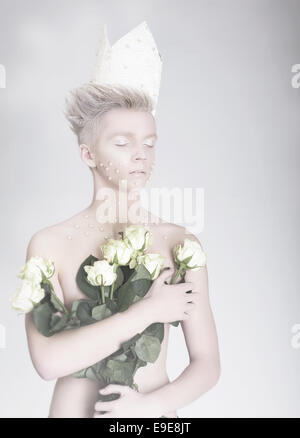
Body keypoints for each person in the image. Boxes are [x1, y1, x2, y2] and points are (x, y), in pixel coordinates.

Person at [24, 82, 220, 418]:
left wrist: (150, 407)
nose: (141, 154)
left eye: (149, 143)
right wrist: (147, 312)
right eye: (121, 143)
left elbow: (208, 363)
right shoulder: (49, 245)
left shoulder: (179, 245)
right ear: (88, 154)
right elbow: (48, 361)